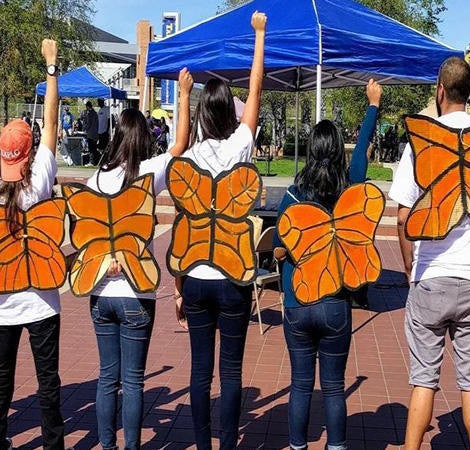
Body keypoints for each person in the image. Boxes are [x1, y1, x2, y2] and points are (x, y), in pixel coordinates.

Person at [390, 3, 470, 449]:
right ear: (468, 92)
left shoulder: (422, 143)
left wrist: (408, 267)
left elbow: (402, 215)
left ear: (440, 91)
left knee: (424, 380)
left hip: (430, 276)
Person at [84, 68, 193, 450]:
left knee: (105, 377)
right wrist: (183, 95)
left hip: (100, 288)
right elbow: (180, 144)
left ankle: (106, 445)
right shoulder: (148, 172)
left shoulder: (95, 181)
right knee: (133, 380)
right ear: (144, 139)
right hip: (137, 289)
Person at [174, 11, 265, 450]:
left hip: (193, 274)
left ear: (200, 117)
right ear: (228, 113)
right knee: (230, 371)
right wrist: (259, 37)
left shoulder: (188, 160)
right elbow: (256, 88)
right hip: (233, 274)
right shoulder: (240, 146)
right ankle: (228, 444)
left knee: (198, 370)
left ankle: (203, 443)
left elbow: (179, 219)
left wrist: (181, 96)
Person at [273, 79, 381, 450]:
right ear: (337, 152)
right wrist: (372, 107)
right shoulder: (350, 190)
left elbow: (278, 243)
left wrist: (283, 250)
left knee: (301, 385)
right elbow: (362, 152)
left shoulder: (292, 195)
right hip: (337, 301)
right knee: (335, 387)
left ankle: (299, 446)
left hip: (297, 304)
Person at [0, 38, 64, 450]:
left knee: (1, 377)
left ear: (1, 155)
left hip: (4, 298)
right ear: (29, 155)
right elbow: (51, 123)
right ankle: (53, 443)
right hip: (43, 298)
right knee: (48, 379)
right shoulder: (42, 178)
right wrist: (51, 67)